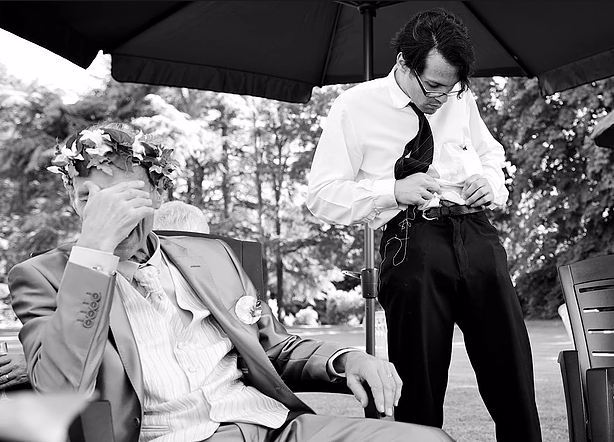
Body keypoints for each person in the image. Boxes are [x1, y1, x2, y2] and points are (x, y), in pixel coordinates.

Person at [9, 123, 451, 442]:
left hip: (273, 427)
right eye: (87, 197)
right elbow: (60, 388)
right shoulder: (43, 277)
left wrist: (345, 359)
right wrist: (93, 254)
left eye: (121, 195)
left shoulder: (213, 256)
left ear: (158, 194)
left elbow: (271, 347)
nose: (104, 211)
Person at [307, 8, 541, 442]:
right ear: (403, 62)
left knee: (512, 375)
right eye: (432, 86)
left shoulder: (458, 97)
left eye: (450, 88)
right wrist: (392, 191)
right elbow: (321, 195)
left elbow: (490, 154)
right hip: (411, 243)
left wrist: (490, 183)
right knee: (419, 386)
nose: (440, 98)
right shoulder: (354, 107)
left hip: (477, 233)